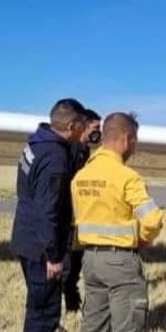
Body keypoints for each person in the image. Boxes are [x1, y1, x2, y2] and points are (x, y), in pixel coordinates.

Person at [72, 112, 164, 332]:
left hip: (91, 261)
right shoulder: (126, 177)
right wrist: (143, 239)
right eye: (134, 140)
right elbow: (153, 219)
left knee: (92, 325)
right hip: (121, 262)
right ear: (125, 138)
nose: (134, 146)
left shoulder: (82, 175)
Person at [10, 98, 86, 332]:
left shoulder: (36, 142)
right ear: (71, 125)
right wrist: (54, 256)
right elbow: (48, 210)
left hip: (26, 235)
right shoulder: (55, 157)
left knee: (39, 300)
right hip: (41, 244)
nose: (83, 131)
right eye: (80, 126)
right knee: (44, 307)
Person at [64, 108, 102, 312]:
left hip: (79, 217)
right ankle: (68, 301)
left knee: (76, 262)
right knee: (68, 263)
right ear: (85, 125)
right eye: (96, 128)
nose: (98, 133)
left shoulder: (84, 150)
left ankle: (72, 301)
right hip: (70, 216)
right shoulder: (72, 150)